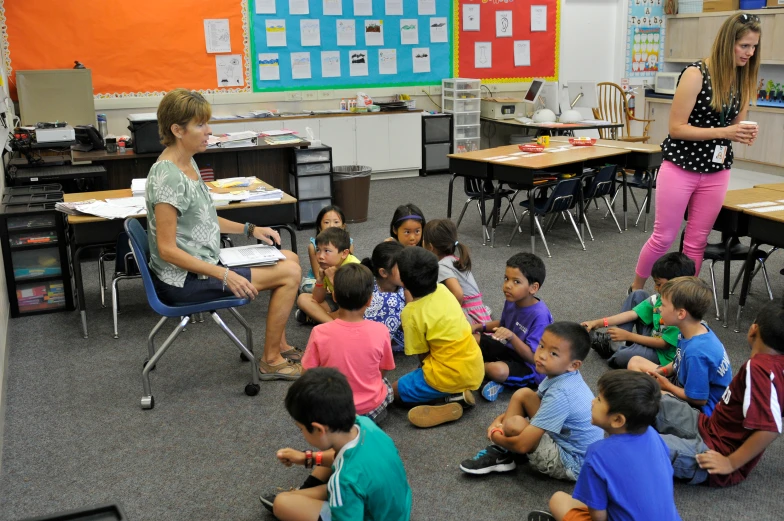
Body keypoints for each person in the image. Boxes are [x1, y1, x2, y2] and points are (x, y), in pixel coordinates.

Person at [145, 88, 302, 380]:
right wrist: (224, 275)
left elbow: (204, 217)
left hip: (203, 262)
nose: (209, 131)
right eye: (200, 125)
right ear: (177, 130)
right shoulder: (167, 177)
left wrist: (250, 229)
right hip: (183, 281)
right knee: (290, 273)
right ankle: (270, 360)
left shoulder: (187, 161)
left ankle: (279, 345)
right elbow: (166, 249)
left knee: (289, 256)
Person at [629, 13, 760, 292]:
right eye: (744, 46)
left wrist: (743, 132)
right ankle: (637, 289)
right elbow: (677, 128)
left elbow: (736, 125)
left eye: (754, 47)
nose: (750, 53)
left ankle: (683, 299)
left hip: (717, 170)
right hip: (681, 167)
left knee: (697, 240)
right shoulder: (696, 73)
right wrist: (725, 132)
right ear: (728, 43)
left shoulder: (742, 79)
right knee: (663, 237)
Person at [652, 300, 784, 487]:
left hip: (716, 451)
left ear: (753, 329)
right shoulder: (775, 365)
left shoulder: (759, 370)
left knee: (639, 447)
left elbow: (770, 428)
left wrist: (731, 462)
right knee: (647, 396)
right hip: (708, 425)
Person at [460, 323, 603, 480]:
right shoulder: (563, 376)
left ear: (573, 365)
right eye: (541, 346)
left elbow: (523, 445)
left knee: (514, 425)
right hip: (569, 440)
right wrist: (498, 420)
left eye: (553, 354)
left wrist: (496, 435)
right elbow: (537, 403)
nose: (541, 355)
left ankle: (503, 451)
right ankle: (504, 451)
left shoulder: (561, 393)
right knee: (524, 394)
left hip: (572, 463)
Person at [270, 368, 412, 521]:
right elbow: (344, 457)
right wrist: (306, 458)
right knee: (335, 472)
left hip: (368, 511)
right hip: (398, 507)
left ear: (318, 429)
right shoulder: (364, 424)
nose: (301, 432)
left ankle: (301, 498)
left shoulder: (343, 481)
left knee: (281, 503)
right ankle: (303, 495)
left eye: (301, 429)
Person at [541, 371, 682, 521]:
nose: (593, 401)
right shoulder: (653, 435)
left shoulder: (598, 454)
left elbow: (598, 518)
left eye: (599, 399)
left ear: (617, 420)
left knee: (558, 500)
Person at [392, 247, 484, 428]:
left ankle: (448, 399)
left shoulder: (410, 314)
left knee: (394, 392)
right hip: (475, 369)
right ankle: (456, 393)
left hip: (447, 376)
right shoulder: (443, 290)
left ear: (403, 280)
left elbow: (422, 355)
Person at [302, 263, 395, 423]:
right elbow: (383, 369)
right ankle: (363, 427)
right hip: (369, 409)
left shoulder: (319, 332)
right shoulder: (381, 331)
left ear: (335, 297)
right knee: (386, 386)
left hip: (333, 409)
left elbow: (306, 374)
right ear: (369, 301)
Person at [629, 277, 731, 416]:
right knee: (635, 361)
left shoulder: (696, 353)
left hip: (700, 411)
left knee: (641, 394)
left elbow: (698, 399)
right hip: (683, 384)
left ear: (681, 313)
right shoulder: (693, 329)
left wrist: (667, 386)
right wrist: (662, 372)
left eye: (663, 305)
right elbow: (678, 360)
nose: (659, 308)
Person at [583, 252, 695, 369]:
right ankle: (616, 343)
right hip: (653, 335)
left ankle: (618, 347)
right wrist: (599, 322)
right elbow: (632, 314)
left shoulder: (681, 313)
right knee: (638, 294)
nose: (655, 288)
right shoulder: (659, 298)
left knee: (621, 357)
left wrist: (629, 336)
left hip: (663, 355)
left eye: (658, 284)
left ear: (675, 284)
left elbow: (664, 344)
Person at [473, 253, 553, 402]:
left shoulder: (540, 316)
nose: (508, 285)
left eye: (516, 281)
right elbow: (503, 324)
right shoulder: (512, 300)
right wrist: (480, 327)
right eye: (506, 279)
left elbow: (533, 358)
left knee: (497, 370)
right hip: (509, 350)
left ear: (533, 288)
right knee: (473, 339)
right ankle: (486, 373)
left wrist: (511, 337)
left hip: (531, 367)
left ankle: (474, 368)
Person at [423, 218, 491, 325]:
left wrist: (451, 314)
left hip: (469, 316)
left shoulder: (442, 266)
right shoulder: (454, 260)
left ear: (430, 247)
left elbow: (458, 294)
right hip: (479, 312)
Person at [295, 227, 360, 325]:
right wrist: (320, 280)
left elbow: (349, 301)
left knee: (347, 313)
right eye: (318, 250)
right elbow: (318, 299)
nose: (320, 256)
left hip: (353, 305)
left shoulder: (353, 267)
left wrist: (332, 278)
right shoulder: (327, 265)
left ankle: (320, 318)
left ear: (344, 253)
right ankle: (332, 323)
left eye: (327, 251)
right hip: (336, 302)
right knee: (303, 298)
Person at [361, 241, 408, 351]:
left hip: (401, 339)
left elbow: (412, 321)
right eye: (402, 267)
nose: (407, 270)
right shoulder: (367, 284)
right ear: (383, 272)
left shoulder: (408, 286)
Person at [300, 205, 354, 293]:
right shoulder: (313, 246)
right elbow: (317, 273)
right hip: (319, 278)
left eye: (336, 222)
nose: (331, 225)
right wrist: (326, 284)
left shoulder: (349, 244)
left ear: (343, 226)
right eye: (326, 222)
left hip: (339, 278)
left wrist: (335, 282)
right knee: (308, 288)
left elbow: (347, 266)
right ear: (320, 227)